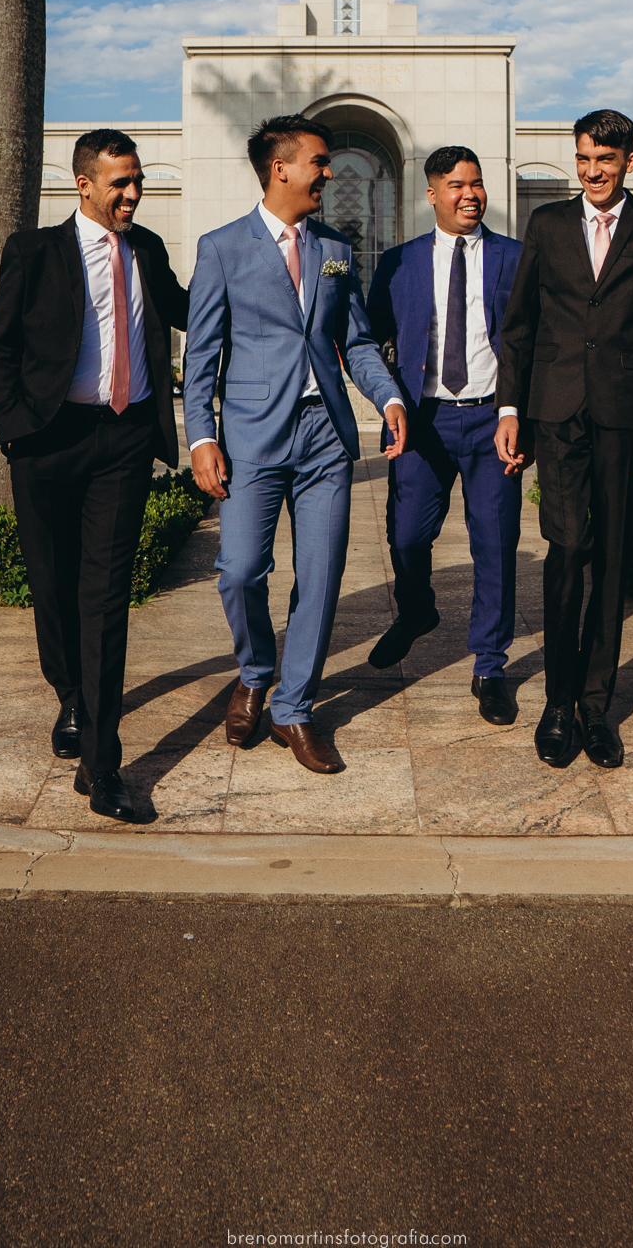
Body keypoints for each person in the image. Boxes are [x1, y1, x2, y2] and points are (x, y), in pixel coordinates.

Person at [185, 116, 406, 775]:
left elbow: (357, 341)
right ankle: (254, 670)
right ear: (281, 167)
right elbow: (201, 354)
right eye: (318, 161)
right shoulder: (221, 247)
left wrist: (387, 396)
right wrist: (202, 436)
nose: (329, 172)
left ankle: (295, 708)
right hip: (252, 437)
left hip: (325, 440)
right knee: (241, 571)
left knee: (321, 576)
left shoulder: (335, 247)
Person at [0, 129, 189, 824]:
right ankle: (69, 691)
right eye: (120, 183)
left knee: (104, 598)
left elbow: (189, 312)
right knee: (53, 586)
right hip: (49, 440)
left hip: (124, 440)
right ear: (85, 184)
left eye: (138, 182)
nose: (132, 194)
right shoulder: (36, 251)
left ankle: (104, 766)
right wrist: (16, 429)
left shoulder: (148, 249)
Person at [495, 108, 633, 771]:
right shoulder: (548, 224)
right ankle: (557, 703)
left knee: (610, 555)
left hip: (618, 411)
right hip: (555, 410)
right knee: (567, 547)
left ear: (628, 162)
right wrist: (509, 409)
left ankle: (595, 706)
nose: (592, 172)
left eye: (605, 161)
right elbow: (519, 323)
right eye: (583, 160)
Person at [366, 146, 523, 725]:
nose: (470, 195)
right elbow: (370, 340)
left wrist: (516, 411)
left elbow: (528, 343)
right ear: (431, 194)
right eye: (456, 185)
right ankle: (415, 611)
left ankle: (490, 664)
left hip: (493, 421)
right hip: (423, 421)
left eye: (477, 184)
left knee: (495, 544)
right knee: (406, 535)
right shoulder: (399, 263)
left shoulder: (514, 257)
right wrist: (389, 401)